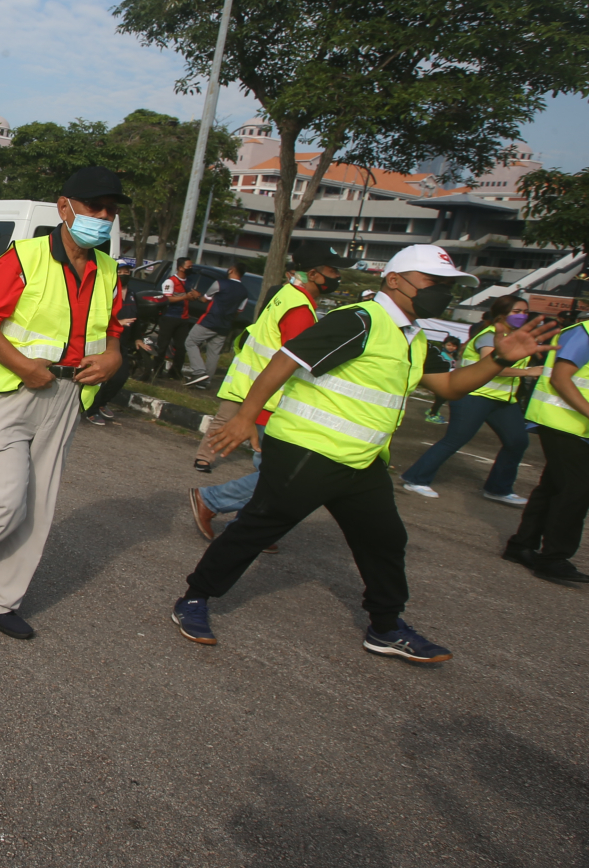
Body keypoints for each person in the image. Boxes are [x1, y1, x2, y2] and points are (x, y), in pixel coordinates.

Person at [175, 245, 557, 663]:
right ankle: (195, 599)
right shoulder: (360, 320)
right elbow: (287, 358)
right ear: (395, 280)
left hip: (362, 461)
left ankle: (386, 626)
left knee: (386, 539)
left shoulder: (412, 338)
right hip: (307, 449)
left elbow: (449, 387)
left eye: (448, 287)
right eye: (434, 283)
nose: (442, 293)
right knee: (259, 527)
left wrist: (500, 359)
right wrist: (247, 416)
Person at [0, 167, 127, 639]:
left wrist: (113, 359)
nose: (103, 217)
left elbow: (116, 332)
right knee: (1, 497)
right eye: (94, 207)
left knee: (38, 504)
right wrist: (25, 367)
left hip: (65, 395)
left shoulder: (109, 271)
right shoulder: (26, 258)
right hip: (7, 393)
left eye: (111, 210)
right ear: (65, 207)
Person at [193, 247, 342, 472]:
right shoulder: (299, 308)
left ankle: (207, 463)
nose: (337, 276)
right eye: (332, 270)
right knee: (271, 462)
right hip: (269, 388)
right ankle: (216, 489)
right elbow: (296, 356)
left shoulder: (286, 293)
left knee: (227, 422)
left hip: (249, 377)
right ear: (312, 274)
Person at [400, 294, 541, 505]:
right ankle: (415, 478)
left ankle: (498, 489)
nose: (522, 316)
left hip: (502, 399)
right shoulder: (490, 336)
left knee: (518, 441)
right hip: (473, 395)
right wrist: (529, 372)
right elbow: (492, 366)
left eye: (525, 312)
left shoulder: (515, 337)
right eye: (516, 312)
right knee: (455, 439)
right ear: (502, 315)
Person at [506, 311, 589, 583]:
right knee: (576, 490)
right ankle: (553, 558)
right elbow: (560, 378)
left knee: (554, 486)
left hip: (575, 425)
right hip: (564, 422)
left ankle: (522, 545)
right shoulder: (585, 332)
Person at [83, 257, 138, 426]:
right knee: (99, 376)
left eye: (126, 272)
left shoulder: (132, 295)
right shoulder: (104, 290)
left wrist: (138, 339)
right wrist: (117, 324)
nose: (123, 275)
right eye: (120, 272)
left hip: (122, 343)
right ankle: (89, 410)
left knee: (120, 377)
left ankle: (100, 404)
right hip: (103, 340)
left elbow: (137, 319)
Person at [184, 264, 248, 388]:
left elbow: (205, 299)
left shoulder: (220, 283)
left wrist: (197, 295)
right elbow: (239, 311)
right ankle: (205, 382)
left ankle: (199, 372)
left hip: (210, 320)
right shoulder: (244, 292)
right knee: (214, 353)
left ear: (231, 270)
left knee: (190, 342)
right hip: (225, 325)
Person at [156, 257, 205, 379]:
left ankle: (175, 372)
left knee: (181, 347)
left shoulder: (189, 282)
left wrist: (196, 297)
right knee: (163, 345)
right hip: (169, 317)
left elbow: (192, 296)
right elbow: (167, 299)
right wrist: (184, 297)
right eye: (188, 266)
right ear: (180, 268)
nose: (190, 269)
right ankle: (157, 370)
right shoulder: (170, 282)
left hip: (183, 318)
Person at [425, 337, 462, 423]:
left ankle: (433, 411)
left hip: (448, 380)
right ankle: (432, 415)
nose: (451, 347)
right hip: (441, 380)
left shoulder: (453, 357)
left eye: (454, 346)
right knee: (441, 397)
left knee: (441, 398)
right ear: (443, 345)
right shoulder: (441, 355)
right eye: (449, 345)